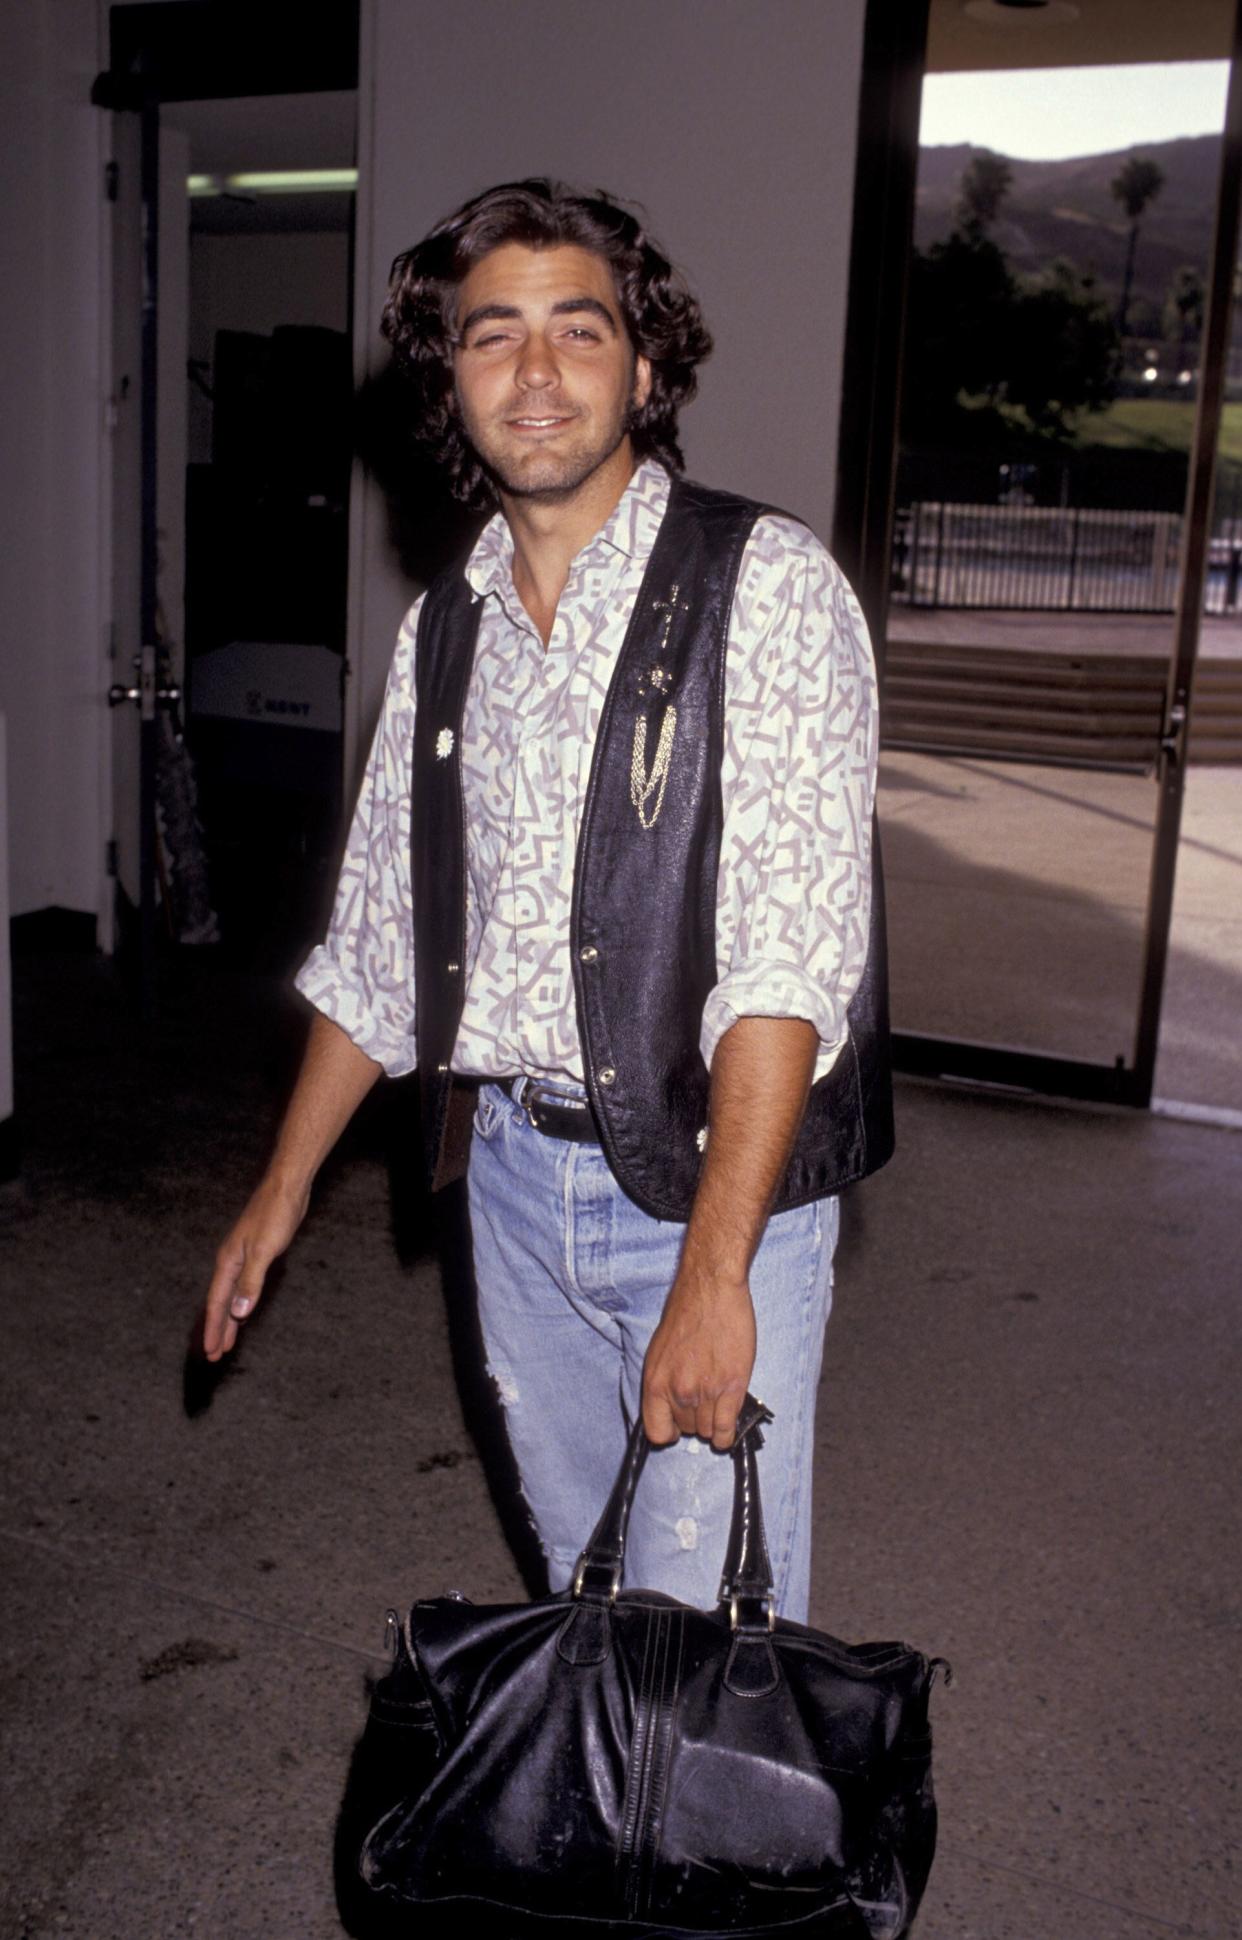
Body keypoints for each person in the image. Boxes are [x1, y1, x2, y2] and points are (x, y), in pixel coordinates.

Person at [201, 179, 892, 1624]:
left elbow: (783, 960)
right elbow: (382, 947)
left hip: (708, 1188)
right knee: (580, 1596)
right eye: (489, 335)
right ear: (447, 382)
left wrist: (718, 1272)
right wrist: (277, 1194)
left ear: (644, 368)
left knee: (697, 1632)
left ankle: (706, 1856)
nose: (532, 373)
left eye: (575, 332)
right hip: (506, 1183)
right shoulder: (445, 628)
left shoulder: (759, 587)